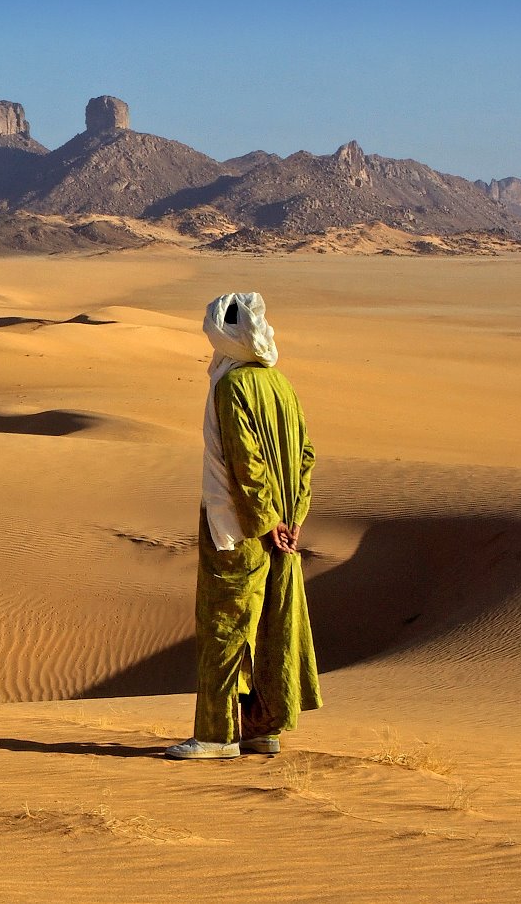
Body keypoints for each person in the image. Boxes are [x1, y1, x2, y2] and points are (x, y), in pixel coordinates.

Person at [165, 291, 321, 760]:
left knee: (224, 626)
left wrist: (266, 519)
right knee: (270, 626)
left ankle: (216, 735)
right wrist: (293, 518)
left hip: (236, 528)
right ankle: (260, 728)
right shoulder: (281, 384)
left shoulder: (233, 387)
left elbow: (245, 462)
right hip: (280, 531)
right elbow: (307, 456)